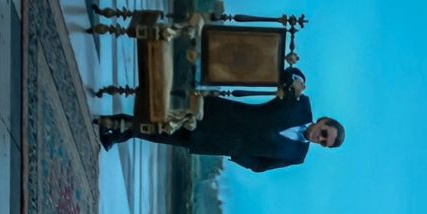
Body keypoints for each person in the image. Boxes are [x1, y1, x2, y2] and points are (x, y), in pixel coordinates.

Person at [98, 63, 345, 171]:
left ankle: (124, 130)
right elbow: (289, 73)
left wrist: (237, 152)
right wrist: (299, 79)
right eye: (324, 133)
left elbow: (262, 166)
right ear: (323, 121)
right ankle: (121, 125)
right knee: (166, 114)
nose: (319, 138)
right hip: (223, 114)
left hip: (222, 143)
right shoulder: (300, 104)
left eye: (323, 143)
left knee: (168, 136)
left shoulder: (297, 156)